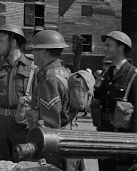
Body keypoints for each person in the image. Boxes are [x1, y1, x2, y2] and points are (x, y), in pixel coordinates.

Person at [0, 24, 33, 163]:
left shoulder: (33, 68)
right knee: (0, 165)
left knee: (24, 166)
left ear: (13, 43)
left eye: (1, 41)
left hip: (24, 126)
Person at [29, 30, 84, 171]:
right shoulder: (65, 71)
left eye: (34, 49)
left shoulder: (50, 79)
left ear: (43, 52)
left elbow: (51, 124)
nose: (32, 53)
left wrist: (43, 153)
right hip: (70, 138)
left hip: (58, 145)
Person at [94, 31, 137, 171]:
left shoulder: (134, 75)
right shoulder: (106, 73)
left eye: (108, 45)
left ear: (120, 48)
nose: (104, 48)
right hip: (104, 134)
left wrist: (134, 143)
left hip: (123, 138)